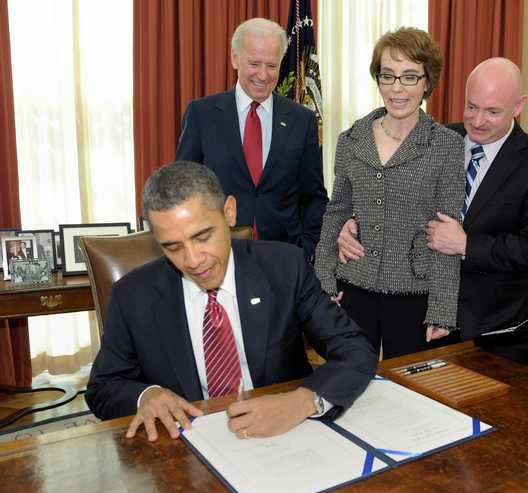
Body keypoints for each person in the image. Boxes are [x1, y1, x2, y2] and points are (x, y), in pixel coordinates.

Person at [86, 161, 377, 441]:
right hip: (189, 448)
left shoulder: (284, 267)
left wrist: (303, 401)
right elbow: (103, 388)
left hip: (285, 436)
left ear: (229, 212)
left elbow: (354, 349)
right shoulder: (133, 294)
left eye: (202, 236)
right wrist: (144, 396)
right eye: (172, 247)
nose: (193, 260)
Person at [339, 58, 528, 341]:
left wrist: (465, 244)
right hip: (415, 312)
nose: (478, 121)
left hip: (488, 324)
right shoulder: (434, 140)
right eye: (471, 107)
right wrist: (352, 223)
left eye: (493, 112)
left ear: (518, 106)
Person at [314, 27, 464, 359]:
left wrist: (442, 309)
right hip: (352, 287)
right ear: (378, 79)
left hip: (415, 295)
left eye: (410, 77)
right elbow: (337, 211)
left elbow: (447, 233)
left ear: (427, 82)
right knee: (348, 385)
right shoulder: (351, 139)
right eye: (388, 76)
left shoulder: (447, 146)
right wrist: (324, 279)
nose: (397, 88)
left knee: (412, 396)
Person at [176, 18, 327, 261]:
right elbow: (182, 189)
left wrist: (305, 249)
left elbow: (314, 197)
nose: (263, 75)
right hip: (217, 257)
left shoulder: (302, 120)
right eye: (254, 63)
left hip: (283, 258)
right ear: (235, 58)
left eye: (272, 65)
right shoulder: (201, 114)